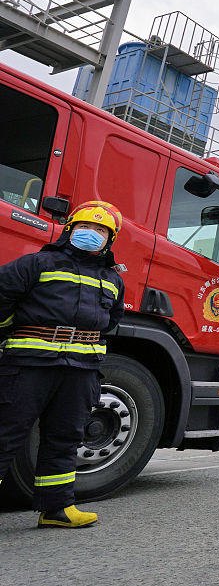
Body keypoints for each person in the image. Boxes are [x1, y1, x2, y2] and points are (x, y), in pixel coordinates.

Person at [0, 201, 125, 528]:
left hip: (81, 370)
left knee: (66, 436)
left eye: (100, 230)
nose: (91, 234)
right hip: (30, 363)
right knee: (6, 432)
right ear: (69, 230)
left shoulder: (112, 279)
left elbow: (111, 320)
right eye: (85, 227)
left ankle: (56, 508)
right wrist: (12, 328)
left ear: (110, 240)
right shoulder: (38, 263)